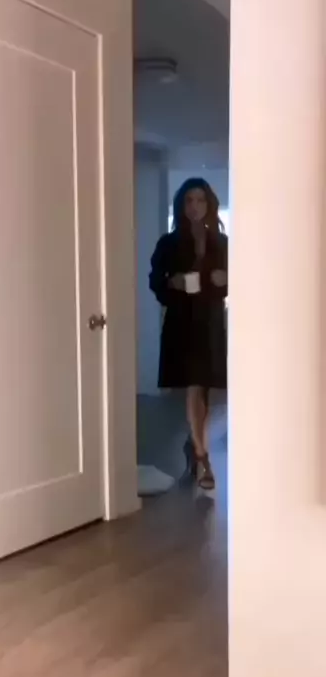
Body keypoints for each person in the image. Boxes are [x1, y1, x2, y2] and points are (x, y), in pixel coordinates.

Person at [149, 178, 227, 491]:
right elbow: (156, 280)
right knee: (195, 385)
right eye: (189, 200)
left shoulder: (221, 242)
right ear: (182, 205)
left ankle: (193, 445)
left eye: (200, 200)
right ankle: (202, 455)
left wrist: (226, 279)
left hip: (211, 321)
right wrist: (174, 282)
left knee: (206, 387)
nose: (195, 206)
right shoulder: (168, 243)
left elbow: (239, 280)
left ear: (209, 205)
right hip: (182, 321)